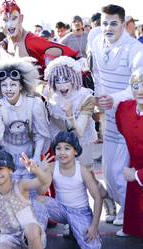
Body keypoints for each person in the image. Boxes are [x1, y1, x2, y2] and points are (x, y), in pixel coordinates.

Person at [88, 4, 143, 226]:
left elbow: (139, 86)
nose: (108, 28)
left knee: (121, 170)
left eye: (113, 23)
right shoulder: (94, 40)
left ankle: (128, 214)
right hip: (107, 115)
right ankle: (122, 208)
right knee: (109, 173)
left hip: (128, 116)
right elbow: (97, 74)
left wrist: (116, 98)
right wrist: (99, 99)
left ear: (123, 24)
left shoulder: (135, 49)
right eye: (104, 23)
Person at [44, 56, 116, 224]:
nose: (62, 85)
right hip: (61, 145)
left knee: (88, 177)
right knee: (66, 182)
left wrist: (69, 114)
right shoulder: (50, 95)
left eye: (66, 79)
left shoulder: (86, 97)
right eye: (58, 80)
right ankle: (75, 219)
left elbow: (80, 131)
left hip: (81, 142)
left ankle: (107, 201)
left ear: (75, 78)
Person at [0, 57, 51, 180]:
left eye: (13, 84)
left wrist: (36, 157)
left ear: (21, 86)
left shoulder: (34, 104)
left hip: (29, 159)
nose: (8, 89)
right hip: (5, 162)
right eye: (4, 85)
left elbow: (41, 134)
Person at [40, 131, 102, 249]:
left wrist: (94, 226)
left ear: (76, 151)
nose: (62, 152)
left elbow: (98, 198)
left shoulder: (82, 170)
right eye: (58, 148)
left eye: (67, 148)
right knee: (37, 201)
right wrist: (41, 172)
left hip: (80, 212)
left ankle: (75, 229)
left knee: (93, 248)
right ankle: (38, 238)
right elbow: (41, 192)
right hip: (60, 209)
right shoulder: (52, 167)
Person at [0, 0, 78, 71]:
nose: (9, 24)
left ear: (21, 18)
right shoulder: (7, 40)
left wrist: (78, 61)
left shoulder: (31, 41)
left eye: (14, 18)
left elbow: (65, 51)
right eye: (5, 20)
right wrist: (4, 43)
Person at [115, 68, 143, 238]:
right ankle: (132, 226)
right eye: (136, 85)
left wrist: (138, 175)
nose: (140, 90)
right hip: (134, 166)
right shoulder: (124, 109)